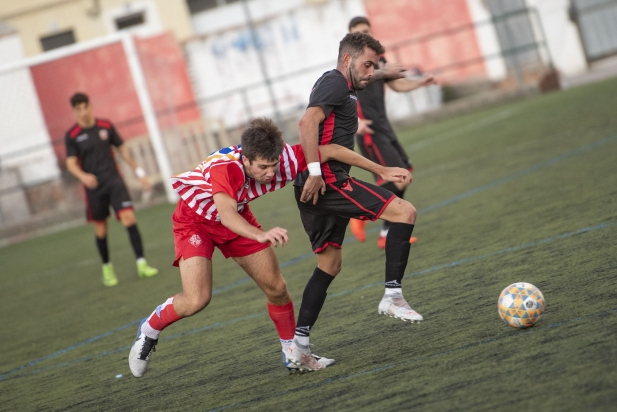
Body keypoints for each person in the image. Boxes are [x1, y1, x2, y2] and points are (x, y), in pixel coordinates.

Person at [128, 117, 412, 376]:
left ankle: (293, 355)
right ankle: (150, 328)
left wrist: (381, 169)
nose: (269, 172)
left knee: (276, 288)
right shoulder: (226, 168)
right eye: (262, 167)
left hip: (238, 216)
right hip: (195, 221)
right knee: (197, 300)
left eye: (273, 165)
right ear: (246, 159)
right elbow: (225, 214)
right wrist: (259, 235)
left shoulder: (284, 160)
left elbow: (331, 150)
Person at [287, 32, 425, 370]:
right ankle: (393, 295)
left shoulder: (342, 85)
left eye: (374, 66)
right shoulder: (335, 83)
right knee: (404, 211)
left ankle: (299, 349)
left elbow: (333, 140)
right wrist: (318, 171)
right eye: (367, 65)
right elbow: (306, 122)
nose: (370, 72)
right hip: (327, 180)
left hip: (316, 183)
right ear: (347, 60)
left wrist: (383, 72)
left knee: (330, 265)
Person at [348, 16, 437, 249]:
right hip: (368, 129)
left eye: (366, 31)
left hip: (384, 125)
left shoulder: (379, 58)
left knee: (404, 173)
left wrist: (420, 82)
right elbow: (339, 97)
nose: (364, 35)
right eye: (358, 32)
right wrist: (356, 122)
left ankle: (386, 234)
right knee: (397, 178)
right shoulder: (350, 63)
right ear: (350, 37)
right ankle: (359, 214)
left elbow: (397, 85)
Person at [65, 92, 158, 287]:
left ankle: (142, 264)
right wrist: (83, 176)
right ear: (74, 111)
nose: (82, 112)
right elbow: (71, 163)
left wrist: (140, 173)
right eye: (78, 109)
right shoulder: (72, 136)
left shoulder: (106, 126)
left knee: (129, 218)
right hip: (94, 188)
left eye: (85, 107)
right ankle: (107, 268)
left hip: (114, 181)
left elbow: (123, 149)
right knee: (101, 229)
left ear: (91, 106)